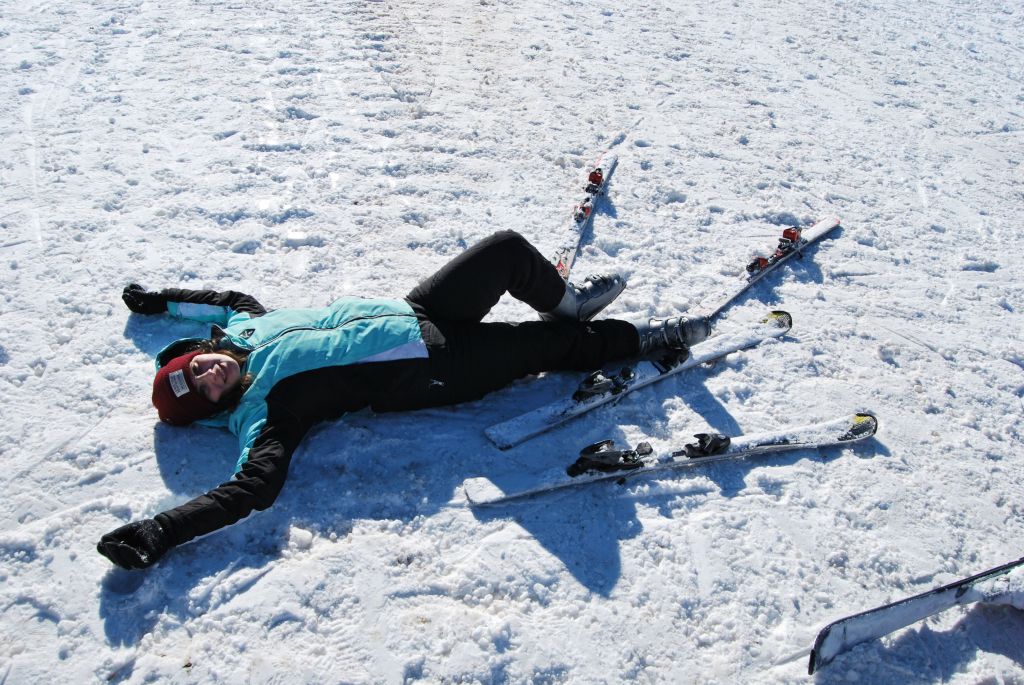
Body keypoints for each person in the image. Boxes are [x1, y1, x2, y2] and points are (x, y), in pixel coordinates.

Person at [97, 231, 709, 570]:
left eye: (195, 367)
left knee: (505, 251)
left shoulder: (245, 327)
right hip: (438, 368)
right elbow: (252, 488)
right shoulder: (267, 413)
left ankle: (570, 303)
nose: (210, 374)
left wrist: (159, 300)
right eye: (205, 389)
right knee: (545, 347)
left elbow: (228, 297)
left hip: (417, 311)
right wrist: (163, 529)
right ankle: (647, 338)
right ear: (215, 407)